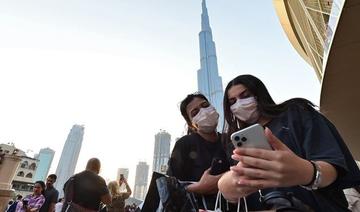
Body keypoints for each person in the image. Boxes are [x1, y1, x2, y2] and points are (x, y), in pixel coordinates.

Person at [217, 74, 360, 211]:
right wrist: (228, 187)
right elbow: (241, 193)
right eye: (233, 102)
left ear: (259, 93)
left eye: (245, 96)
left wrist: (306, 172)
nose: (239, 104)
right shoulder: (236, 144)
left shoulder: (296, 112)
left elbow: (333, 166)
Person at [167, 93, 230, 210]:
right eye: (195, 112)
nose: (203, 112)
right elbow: (169, 188)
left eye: (205, 105)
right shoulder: (184, 144)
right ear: (191, 124)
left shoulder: (230, 140)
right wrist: (198, 188)